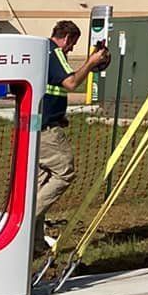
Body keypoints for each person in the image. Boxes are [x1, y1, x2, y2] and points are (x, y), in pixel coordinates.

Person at [37, 20, 111, 232]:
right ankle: (26, 219)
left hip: (35, 125)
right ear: (67, 38)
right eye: (72, 44)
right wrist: (91, 62)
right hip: (46, 130)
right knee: (64, 172)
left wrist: (57, 114)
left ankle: (34, 241)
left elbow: (49, 89)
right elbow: (70, 83)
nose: (71, 49)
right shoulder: (55, 53)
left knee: (41, 182)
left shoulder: (41, 52)